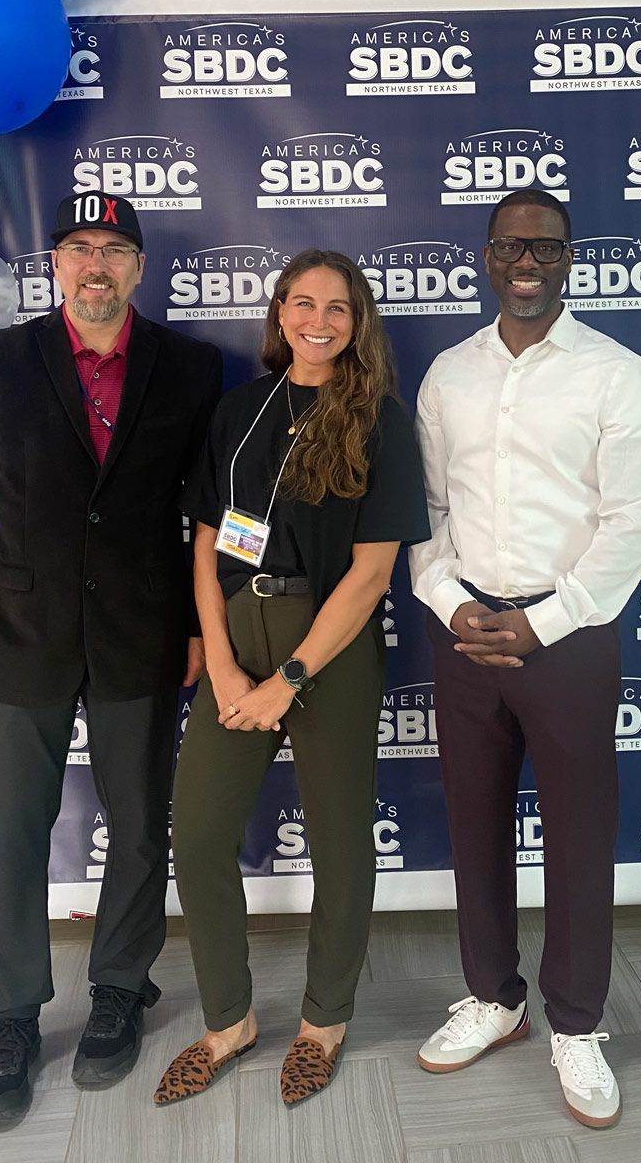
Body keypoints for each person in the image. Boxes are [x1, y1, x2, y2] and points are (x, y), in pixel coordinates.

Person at [0, 192, 222, 1130]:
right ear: (55, 266)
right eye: (78, 249)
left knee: (137, 828)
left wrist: (210, 626)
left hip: (145, 630)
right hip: (19, 632)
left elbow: (211, 511)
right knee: (8, 830)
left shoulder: (192, 367)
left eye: (114, 251)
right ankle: (8, 1016)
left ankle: (121, 990)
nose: (96, 266)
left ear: (138, 268)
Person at [409, 188, 641, 1131]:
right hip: (465, 631)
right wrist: (452, 603)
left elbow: (634, 521)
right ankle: (494, 998)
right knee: (474, 823)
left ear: (570, 259)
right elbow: (427, 514)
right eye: (514, 245)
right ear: (487, 255)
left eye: (548, 247)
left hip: (571, 639)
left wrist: (545, 621)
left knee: (578, 832)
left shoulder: (616, 374)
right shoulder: (447, 375)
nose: (529, 261)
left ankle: (576, 1021)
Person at [156, 249, 429, 1109]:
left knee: (341, 840)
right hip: (239, 630)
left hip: (330, 643)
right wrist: (227, 661)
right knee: (198, 837)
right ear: (279, 314)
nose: (319, 321)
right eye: (303, 303)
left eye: (338, 308)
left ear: (358, 323)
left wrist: (292, 676)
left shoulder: (379, 419)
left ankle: (323, 1021)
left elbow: (373, 571)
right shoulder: (240, 410)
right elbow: (206, 543)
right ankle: (229, 1021)